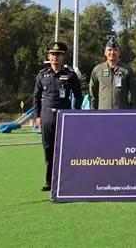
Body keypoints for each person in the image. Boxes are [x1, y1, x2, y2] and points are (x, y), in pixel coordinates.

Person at [33, 41, 83, 191]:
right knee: (48, 148)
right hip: (47, 115)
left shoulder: (70, 75)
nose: (55, 57)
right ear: (48, 56)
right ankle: (49, 181)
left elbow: (78, 95)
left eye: (59, 55)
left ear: (63, 57)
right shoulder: (42, 75)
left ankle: (66, 179)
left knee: (65, 148)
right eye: (53, 54)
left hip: (64, 115)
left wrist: (75, 113)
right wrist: (37, 116)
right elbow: (36, 96)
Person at [89, 36, 136, 109]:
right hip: (103, 112)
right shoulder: (98, 70)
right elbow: (92, 93)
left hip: (121, 112)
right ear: (105, 52)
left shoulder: (127, 70)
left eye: (115, 50)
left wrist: (132, 110)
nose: (112, 53)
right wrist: (93, 110)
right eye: (109, 50)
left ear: (119, 52)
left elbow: (134, 92)